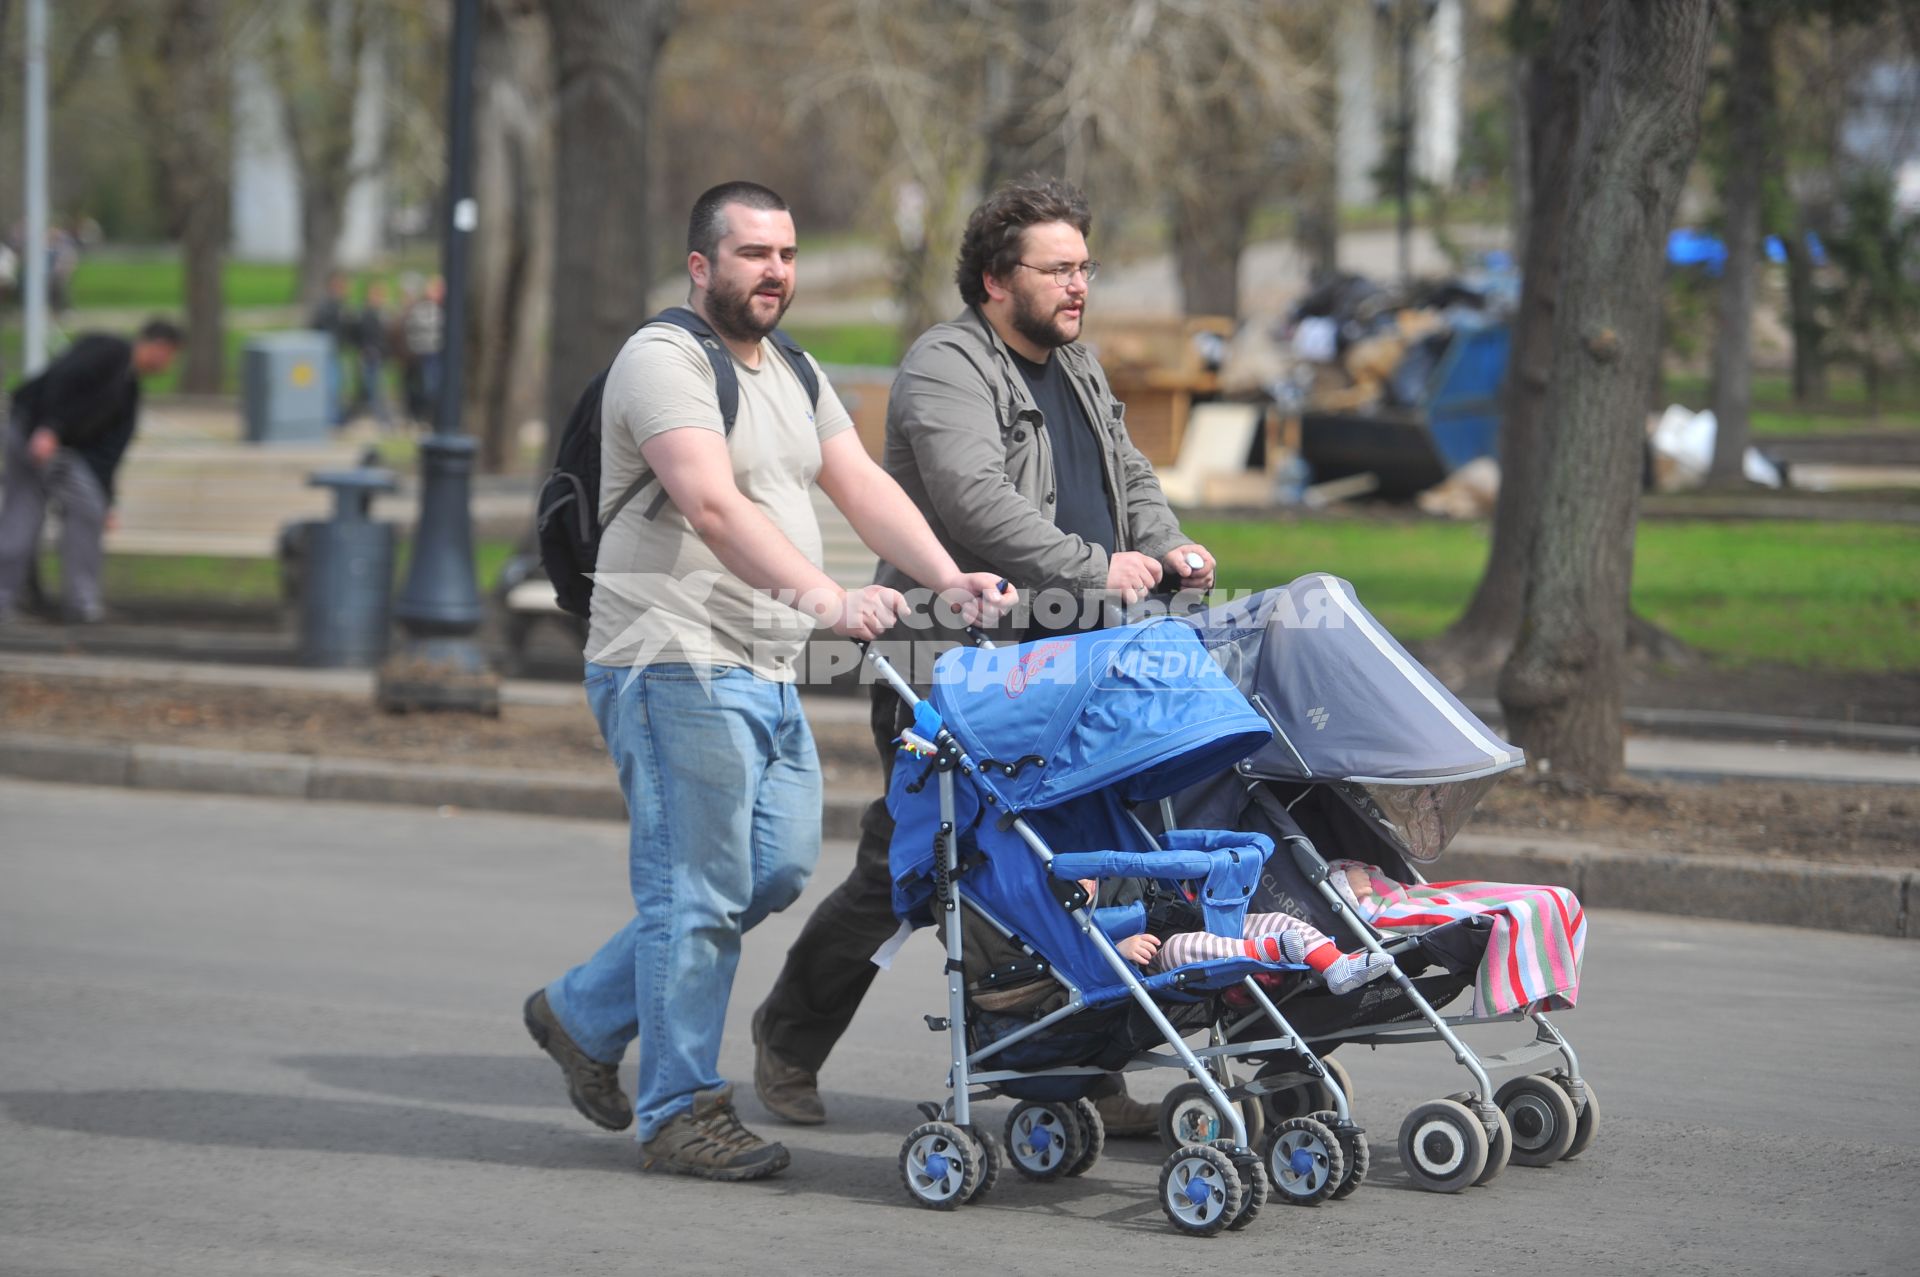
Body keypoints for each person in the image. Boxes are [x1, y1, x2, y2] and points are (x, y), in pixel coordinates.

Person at [520, 180, 1013, 1183]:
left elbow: (861, 481)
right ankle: (678, 1108)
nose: (775, 272)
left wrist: (945, 574)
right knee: (696, 889)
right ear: (702, 264)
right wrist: (829, 599)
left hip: (760, 661)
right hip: (672, 660)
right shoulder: (663, 360)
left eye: (786, 253)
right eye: (752, 254)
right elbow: (707, 503)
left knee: (772, 870)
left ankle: (583, 1010)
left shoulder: (789, 363)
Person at [752, 175, 1217, 1136]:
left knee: (1078, 865)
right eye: (1059, 270)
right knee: (914, 869)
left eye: (1085, 267)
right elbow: (974, 502)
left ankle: (1076, 1075)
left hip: (1070, 666)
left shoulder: (1078, 364)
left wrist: (1166, 548)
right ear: (997, 280)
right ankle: (788, 1035)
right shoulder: (945, 366)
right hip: (954, 667)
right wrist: (1100, 569)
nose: (1079, 286)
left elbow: (1129, 474)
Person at [0, 319, 183, 624]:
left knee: (40, 511)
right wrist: (49, 428)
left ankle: (24, 597)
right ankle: (73, 602)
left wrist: (108, 501)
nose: (169, 365)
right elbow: (65, 378)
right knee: (46, 511)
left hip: (54, 444)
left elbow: (108, 455)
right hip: (34, 432)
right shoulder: (108, 351)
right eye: (171, 356)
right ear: (160, 347)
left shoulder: (128, 391)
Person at [351, 279, 393, 430]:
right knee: (374, 388)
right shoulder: (367, 314)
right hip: (370, 356)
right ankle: (383, 420)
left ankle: (381, 418)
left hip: (377, 355)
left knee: (374, 388)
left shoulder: (380, 314)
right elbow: (361, 336)